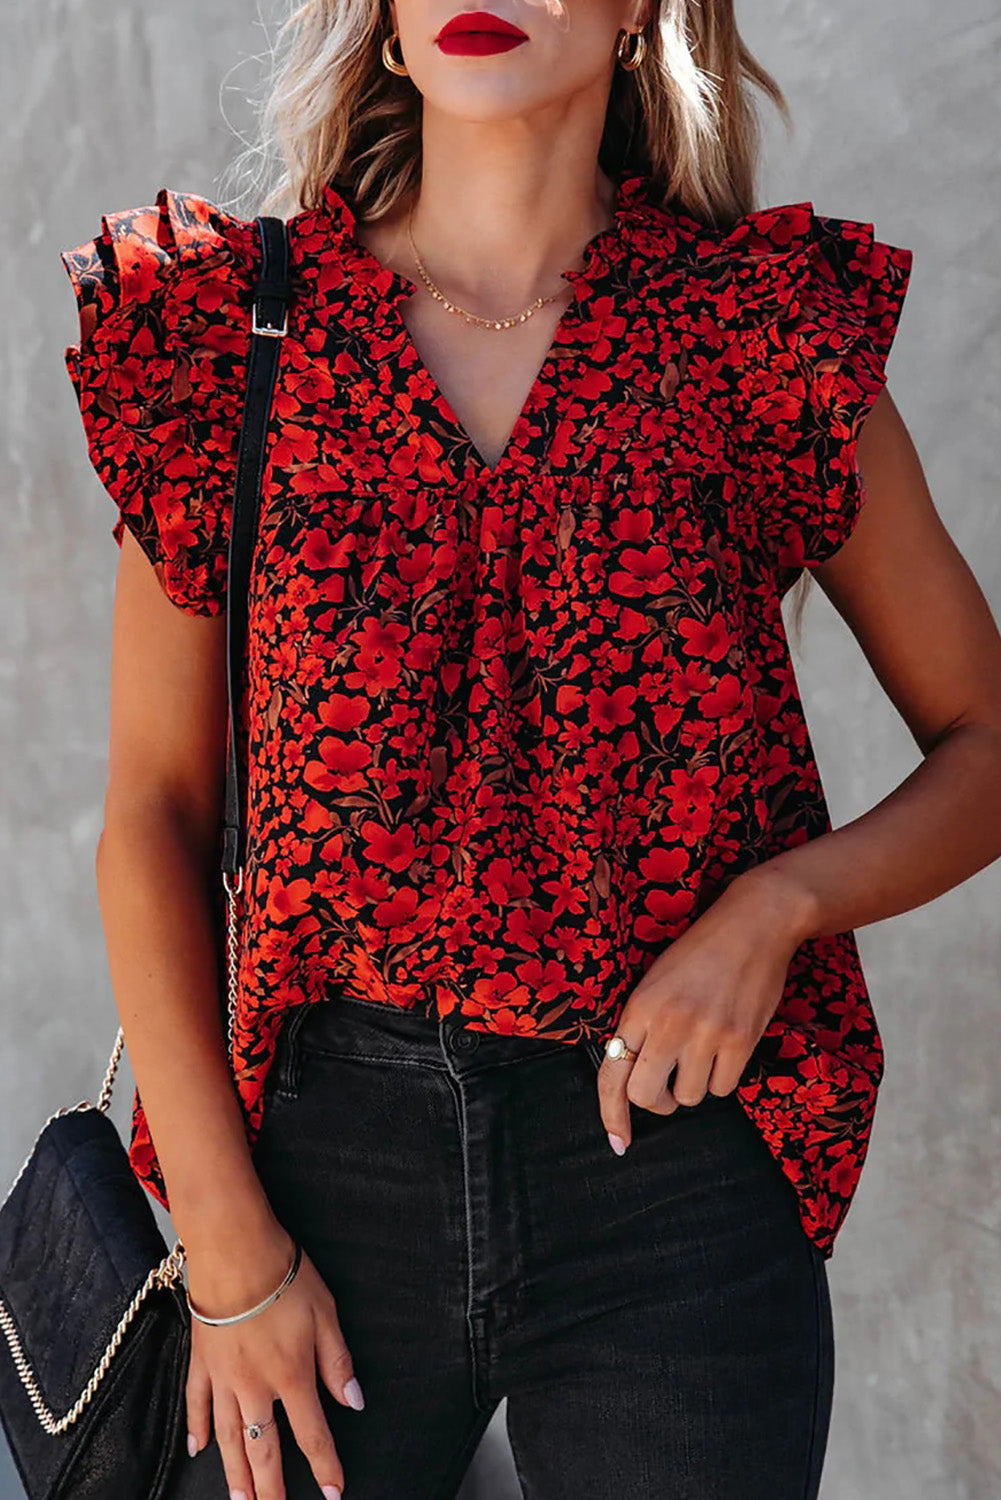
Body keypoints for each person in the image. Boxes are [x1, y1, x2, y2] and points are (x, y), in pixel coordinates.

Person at [57, 1, 1001, 1497]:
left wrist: (776, 907)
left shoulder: (755, 338)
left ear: (641, 15)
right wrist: (230, 1253)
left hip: (671, 1179)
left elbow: (982, 739)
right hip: (316, 1175)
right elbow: (156, 818)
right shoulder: (232, 331)